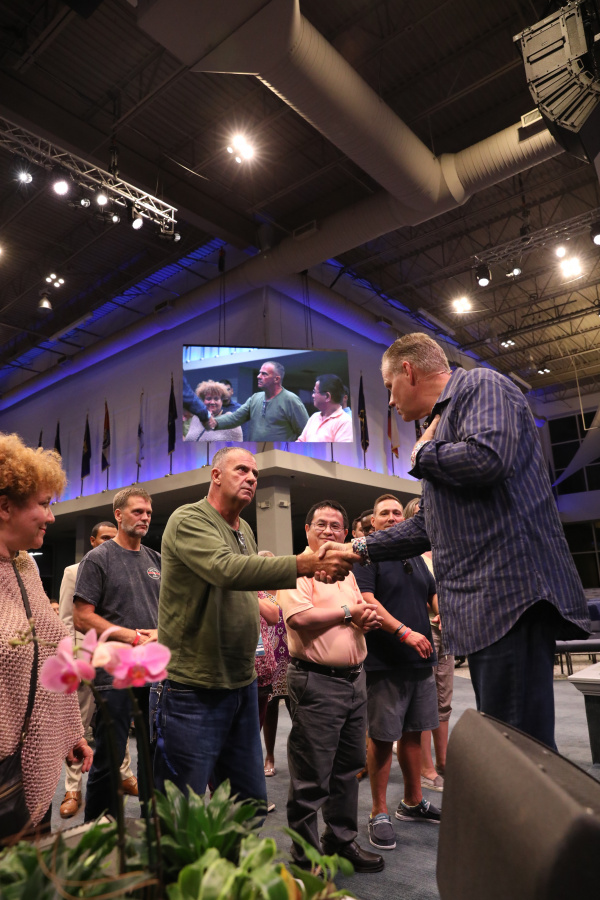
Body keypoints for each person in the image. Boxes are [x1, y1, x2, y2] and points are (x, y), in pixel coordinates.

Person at [320, 333, 591, 748]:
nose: (389, 401)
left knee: (519, 749)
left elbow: (488, 458)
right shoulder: (444, 423)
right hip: (487, 608)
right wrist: (355, 548)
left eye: (390, 387)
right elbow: (427, 525)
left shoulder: (482, 385)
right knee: (512, 747)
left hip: (508, 599)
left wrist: (421, 454)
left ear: (409, 371)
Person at [154, 447, 353, 810]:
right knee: (182, 807)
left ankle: (231, 849)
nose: (251, 478)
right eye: (241, 469)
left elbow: (247, 583)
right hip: (194, 684)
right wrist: (303, 564)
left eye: (255, 474)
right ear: (216, 475)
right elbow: (226, 569)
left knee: (248, 802)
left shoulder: (244, 528)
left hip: (241, 680)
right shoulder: (189, 519)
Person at [277, 500, 384, 873]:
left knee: (348, 769)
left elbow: (353, 610)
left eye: (335, 526)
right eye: (320, 524)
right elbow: (299, 618)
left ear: (346, 534)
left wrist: (363, 618)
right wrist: (349, 614)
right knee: (311, 776)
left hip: (354, 680)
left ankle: (340, 841)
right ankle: (306, 859)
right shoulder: (297, 568)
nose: (328, 530)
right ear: (307, 530)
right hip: (316, 682)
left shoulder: (346, 571)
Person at [0, 432, 92, 838]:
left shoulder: (26, 568)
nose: (51, 517)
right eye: (43, 504)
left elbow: (51, 655)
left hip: (29, 763)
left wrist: (70, 730)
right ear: (5, 507)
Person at [354, 494, 440, 852]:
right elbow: (367, 600)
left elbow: (431, 595)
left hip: (421, 658)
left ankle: (412, 801)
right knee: (382, 736)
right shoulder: (368, 555)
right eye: (383, 513)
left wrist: (442, 613)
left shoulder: (416, 556)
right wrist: (404, 632)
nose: (391, 517)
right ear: (373, 522)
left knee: (414, 732)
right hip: (386, 660)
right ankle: (378, 811)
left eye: (395, 512)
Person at [73, 487, 160, 821]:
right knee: (109, 759)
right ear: (119, 515)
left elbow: (167, 613)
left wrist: (159, 634)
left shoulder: (156, 560)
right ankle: (99, 831)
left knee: (154, 755)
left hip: (153, 674)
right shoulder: (99, 558)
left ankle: (153, 828)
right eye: (138, 512)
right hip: (114, 675)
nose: (145, 518)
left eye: (148, 513)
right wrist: (134, 637)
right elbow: (82, 618)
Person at [58, 520, 138, 819]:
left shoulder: (123, 569)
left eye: (112, 537)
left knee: (119, 721)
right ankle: (72, 788)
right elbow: (67, 620)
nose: (108, 542)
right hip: (84, 661)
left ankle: (125, 774)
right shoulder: (73, 571)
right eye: (103, 537)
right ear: (92, 541)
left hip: (116, 661)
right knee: (77, 726)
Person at [403, 496, 452, 789]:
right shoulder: (411, 555)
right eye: (420, 513)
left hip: (448, 629)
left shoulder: (443, 551)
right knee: (426, 700)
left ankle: (443, 761)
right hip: (425, 629)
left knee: (444, 700)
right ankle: (426, 766)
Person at [212, 361, 309, 442]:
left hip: (280, 455)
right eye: (259, 373)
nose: (258, 376)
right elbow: (234, 418)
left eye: (264, 374)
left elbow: (306, 433)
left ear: (276, 379)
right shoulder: (255, 398)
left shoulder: (291, 400)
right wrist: (213, 422)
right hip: (256, 454)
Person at [297, 374, 353, 442]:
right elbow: (301, 441)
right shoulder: (314, 417)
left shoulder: (345, 422)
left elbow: (341, 448)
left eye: (314, 392)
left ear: (327, 396)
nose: (313, 395)